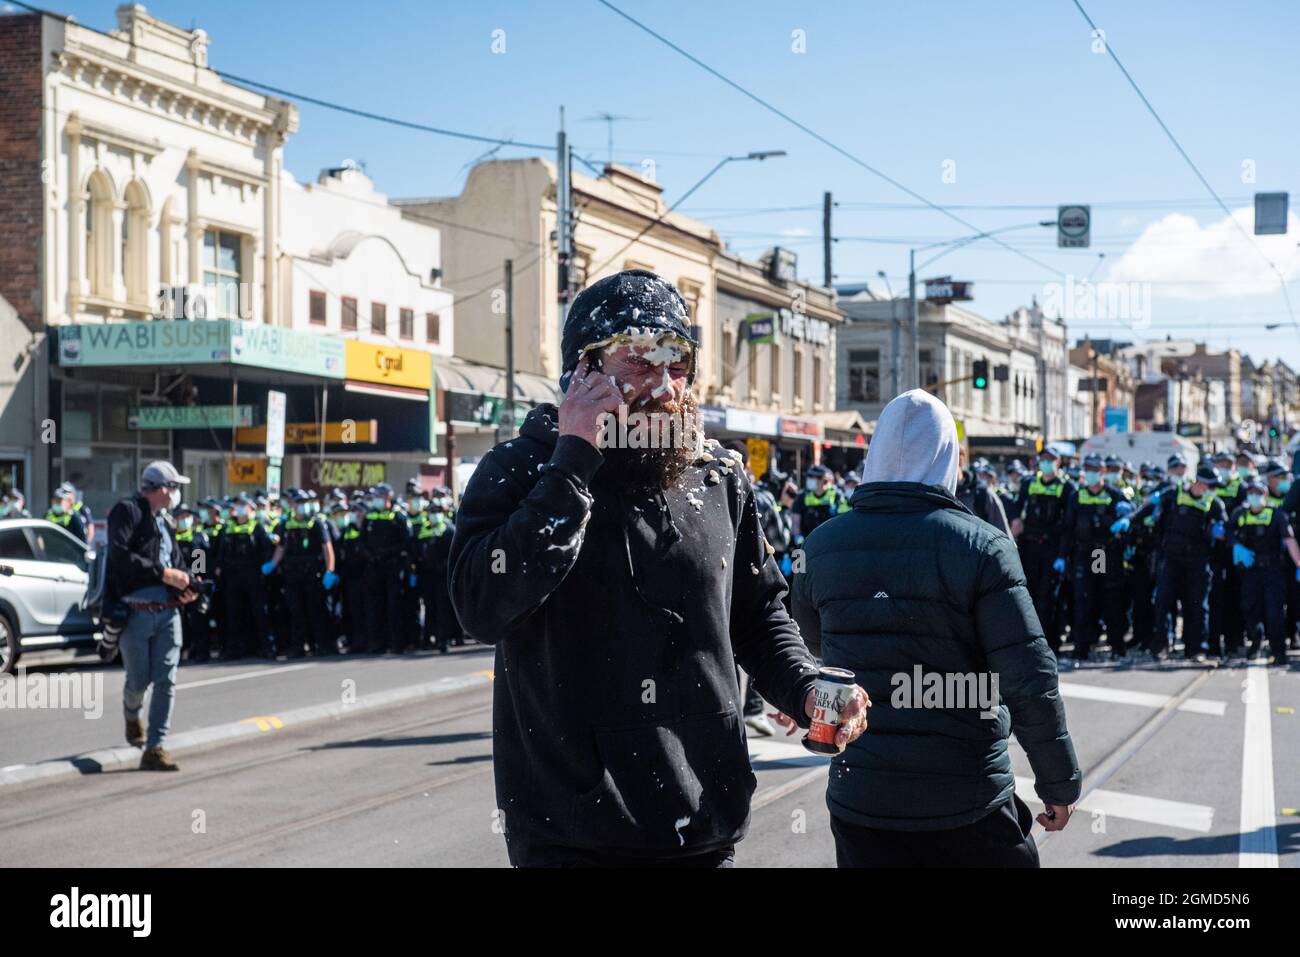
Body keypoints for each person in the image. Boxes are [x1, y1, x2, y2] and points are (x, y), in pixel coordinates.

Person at [449, 269, 867, 868]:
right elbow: (480, 606)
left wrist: (805, 686)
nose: (667, 388)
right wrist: (572, 464)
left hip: (702, 825)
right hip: (571, 837)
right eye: (642, 364)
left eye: (679, 366)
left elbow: (756, 614)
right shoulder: (521, 470)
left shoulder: (717, 477)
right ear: (583, 370)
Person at [791, 390, 1078, 867]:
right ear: (950, 459)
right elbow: (1029, 676)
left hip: (863, 799)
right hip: (967, 800)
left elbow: (813, 644)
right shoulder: (984, 547)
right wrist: (1058, 783)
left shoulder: (821, 545)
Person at [103, 461, 199, 771]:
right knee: (139, 679)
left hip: (169, 613)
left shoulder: (166, 522)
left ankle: (155, 746)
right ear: (159, 488)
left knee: (167, 680)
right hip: (135, 612)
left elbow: (179, 562)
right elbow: (119, 556)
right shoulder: (126, 511)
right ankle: (132, 715)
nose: (176, 494)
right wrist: (164, 574)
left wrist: (188, 584)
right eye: (173, 487)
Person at [724, 439, 792, 737]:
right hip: (748, 587)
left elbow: (765, 626)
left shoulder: (734, 490)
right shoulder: (755, 494)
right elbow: (779, 540)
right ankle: (749, 709)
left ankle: (748, 709)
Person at [1151, 466, 1227, 661]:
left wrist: (1220, 532)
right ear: (1197, 482)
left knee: (1197, 606)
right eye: (1208, 485)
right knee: (1163, 601)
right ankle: (1162, 645)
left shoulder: (1215, 504)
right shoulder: (1172, 496)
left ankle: (1196, 648)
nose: (1210, 490)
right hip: (1171, 558)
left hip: (1198, 561)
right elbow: (1154, 517)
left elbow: (1224, 529)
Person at [1060, 454, 1130, 661]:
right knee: (1083, 601)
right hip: (1084, 553)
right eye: (1087, 469)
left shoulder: (1114, 495)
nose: (1090, 473)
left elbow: (1131, 515)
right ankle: (1082, 647)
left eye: (1094, 469)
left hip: (1103, 554)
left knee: (1109, 598)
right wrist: (1062, 556)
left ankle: (1117, 645)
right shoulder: (1077, 496)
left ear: (1102, 472)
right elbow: (1068, 529)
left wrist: (1126, 515)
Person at [1228, 477, 1300, 665]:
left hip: (1272, 571)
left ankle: (1278, 651)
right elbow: (1229, 533)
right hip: (1250, 571)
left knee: (1274, 611)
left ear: (1266, 496)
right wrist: (1236, 546)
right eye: (1251, 493)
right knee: (1250, 609)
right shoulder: (1240, 514)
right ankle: (1255, 641)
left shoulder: (1276, 515)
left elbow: (1289, 540)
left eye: (1258, 494)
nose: (1254, 497)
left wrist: (1299, 563)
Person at [1011, 446, 1075, 655]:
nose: (1046, 463)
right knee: (1028, 595)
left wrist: (1062, 555)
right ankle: (1030, 641)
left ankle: (1050, 642)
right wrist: (1015, 523)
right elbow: (1016, 509)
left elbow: (1068, 525)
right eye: (1043, 459)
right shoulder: (1029, 483)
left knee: (1047, 598)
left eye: (1051, 459)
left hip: (1051, 548)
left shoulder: (1066, 487)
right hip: (1030, 547)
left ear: (1058, 462)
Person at [265, 489, 337, 657]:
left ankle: (321, 644)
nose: (301, 507)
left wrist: (330, 570)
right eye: (298, 504)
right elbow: (281, 547)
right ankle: (298, 646)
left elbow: (327, 548)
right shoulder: (287, 524)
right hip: (292, 574)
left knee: (316, 610)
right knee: (295, 611)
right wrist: (272, 564)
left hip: (311, 573)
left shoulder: (316, 523)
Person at [213, 493, 273, 659]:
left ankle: (264, 646)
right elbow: (215, 553)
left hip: (252, 575)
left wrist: (265, 568)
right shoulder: (226, 528)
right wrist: (215, 569)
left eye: (242, 505)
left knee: (258, 612)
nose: (239, 509)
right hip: (232, 577)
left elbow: (266, 551)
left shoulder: (257, 527)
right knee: (233, 613)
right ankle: (235, 647)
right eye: (237, 505)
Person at [361, 483, 411, 655]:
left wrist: (386, 553)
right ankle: (377, 643)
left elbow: (406, 542)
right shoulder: (370, 517)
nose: (376, 500)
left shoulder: (398, 517)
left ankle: (397, 643)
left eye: (379, 496)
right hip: (374, 568)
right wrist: (370, 555)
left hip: (392, 567)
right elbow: (362, 541)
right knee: (375, 607)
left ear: (388, 497)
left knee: (394, 606)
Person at [414, 492, 459, 653]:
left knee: (442, 608)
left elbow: (454, 554)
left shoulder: (449, 530)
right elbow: (417, 552)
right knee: (429, 607)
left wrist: (445, 566)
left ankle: (443, 639)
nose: (435, 515)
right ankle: (428, 638)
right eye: (432, 512)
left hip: (443, 575)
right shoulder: (422, 531)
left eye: (438, 511)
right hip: (427, 575)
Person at [172, 503, 213, 662]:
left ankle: (201, 651)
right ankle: (183, 650)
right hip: (175, 585)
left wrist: (195, 582)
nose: (185, 520)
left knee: (198, 619)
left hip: (193, 584)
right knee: (180, 622)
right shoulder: (171, 538)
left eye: (187, 517)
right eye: (181, 517)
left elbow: (199, 565)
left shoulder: (197, 538)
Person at [957, 456, 1010, 535]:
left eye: (984, 475)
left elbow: (1003, 533)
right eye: (978, 474)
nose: (982, 478)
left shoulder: (986, 493)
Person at [792, 463, 846, 540]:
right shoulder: (802, 496)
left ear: (824, 480)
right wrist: (799, 540)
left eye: (812, 477)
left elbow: (843, 522)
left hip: (831, 540)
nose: (809, 479)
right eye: (809, 476)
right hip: (808, 541)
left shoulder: (837, 495)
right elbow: (795, 523)